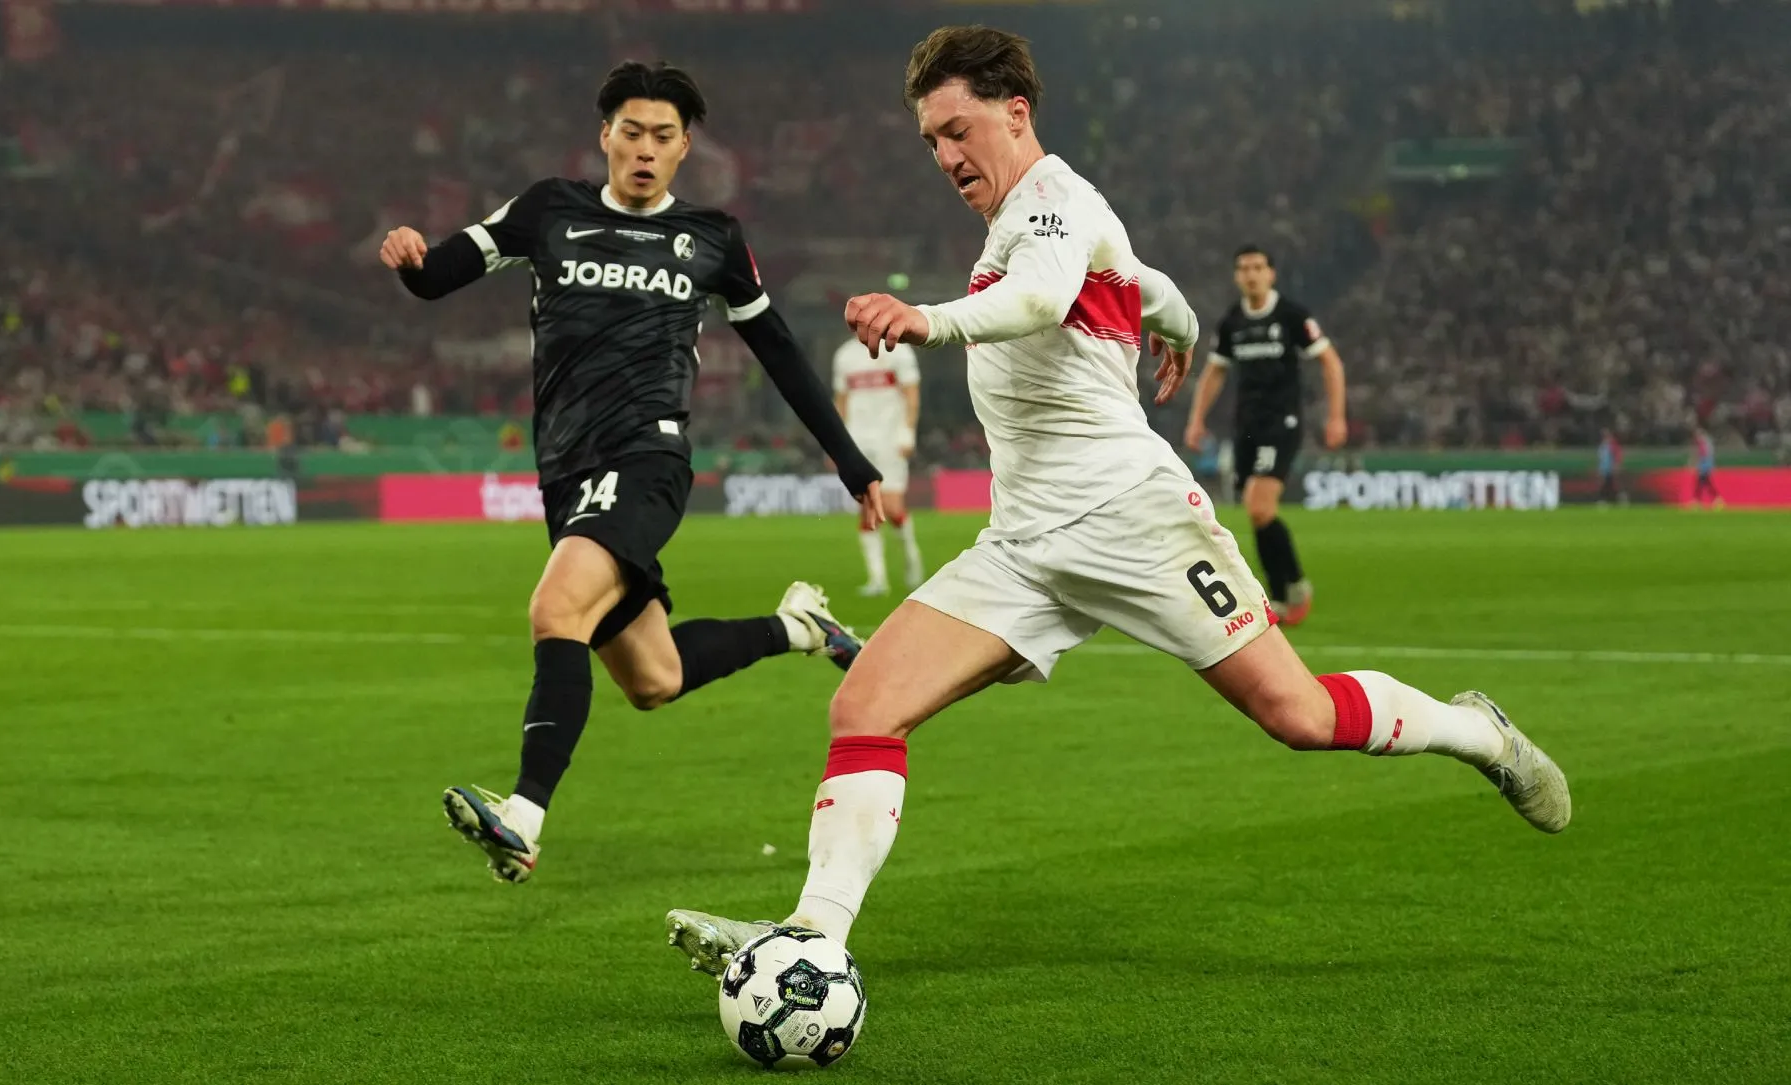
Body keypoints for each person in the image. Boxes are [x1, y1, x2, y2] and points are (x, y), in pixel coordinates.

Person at [664, 25, 1570, 971]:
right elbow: (1146, 282)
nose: (944, 157)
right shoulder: (1026, 224)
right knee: (865, 707)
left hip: (1133, 520)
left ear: (1016, 111)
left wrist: (927, 319)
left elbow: (1045, 299)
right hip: (1023, 546)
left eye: (958, 130)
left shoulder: (1054, 200)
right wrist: (1173, 323)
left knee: (1297, 716)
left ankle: (1479, 733)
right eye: (931, 140)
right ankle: (811, 941)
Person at [380, 61, 885, 886]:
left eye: (664, 137)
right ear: (604, 137)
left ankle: (523, 816)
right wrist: (410, 258)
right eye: (632, 132)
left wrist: (849, 459)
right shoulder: (549, 211)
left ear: (685, 147)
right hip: (566, 472)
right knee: (655, 679)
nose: (645, 150)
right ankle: (800, 628)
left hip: (646, 458)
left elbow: (780, 352)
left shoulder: (712, 238)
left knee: (555, 608)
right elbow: (439, 275)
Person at [1183, 247, 1346, 626]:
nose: (1251, 274)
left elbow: (1330, 362)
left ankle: (1288, 589)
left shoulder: (1292, 316)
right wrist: (1196, 420)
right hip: (1248, 427)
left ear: (1271, 274)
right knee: (1256, 514)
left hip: (1282, 423)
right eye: (1243, 268)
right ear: (1236, 277)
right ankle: (1285, 590)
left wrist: (1336, 417)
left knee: (1260, 507)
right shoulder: (1232, 323)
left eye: (1258, 267)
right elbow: (1215, 372)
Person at [831, 334, 925, 595]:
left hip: (890, 438)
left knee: (893, 506)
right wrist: (837, 443)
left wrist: (908, 432)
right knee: (867, 507)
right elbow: (841, 401)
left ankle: (910, 556)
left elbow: (911, 393)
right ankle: (877, 579)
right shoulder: (844, 355)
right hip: (858, 440)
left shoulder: (898, 352)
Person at [1690, 426, 1722, 509]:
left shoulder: (1704, 444)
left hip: (1705, 466)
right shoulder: (1705, 443)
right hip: (1705, 465)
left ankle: (1698, 501)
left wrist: (1702, 467)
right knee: (1704, 484)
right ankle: (1715, 499)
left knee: (1702, 483)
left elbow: (1705, 456)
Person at [1598, 427, 1623, 505]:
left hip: (1610, 468)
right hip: (1604, 468)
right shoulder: (1602, 445)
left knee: (1610, 484)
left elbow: (1617, 455)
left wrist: (1616, 465)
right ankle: (1615, 499)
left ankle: (1617, 498)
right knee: (1608, 484)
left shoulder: (1612, 445)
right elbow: (1601, 458)